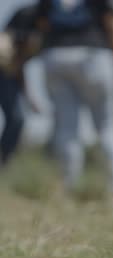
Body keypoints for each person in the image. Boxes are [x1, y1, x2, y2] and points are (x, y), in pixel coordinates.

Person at [36, 0, 113, 202]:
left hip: (56, 56)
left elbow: (42, 24)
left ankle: (70, 188)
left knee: (67, 128)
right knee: (108, 125)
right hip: (94, 54)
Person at [0, 4, 40, 165]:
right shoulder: (28, 14)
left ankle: (3, 161)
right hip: (4, 69)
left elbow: (18, 65)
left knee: (17, 119)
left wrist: (29, 96)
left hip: (9, 74)